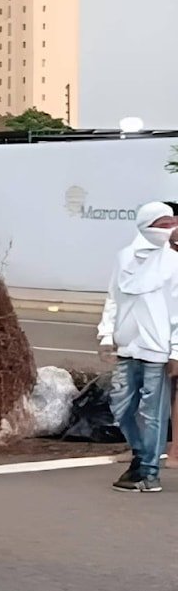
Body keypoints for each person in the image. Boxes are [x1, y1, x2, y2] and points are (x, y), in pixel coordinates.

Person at [97, 201, 178, 493]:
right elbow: (113, 298)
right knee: (121, 406)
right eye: (163, 224)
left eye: (172, 223)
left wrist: (175, 351)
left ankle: (149, 472)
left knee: (152, 413)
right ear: (146, 224)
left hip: (157, 351)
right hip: (127, 348)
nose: (170, 229)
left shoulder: (173, 262)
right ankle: (142, 455)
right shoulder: (123, 259)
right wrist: (107, 335)